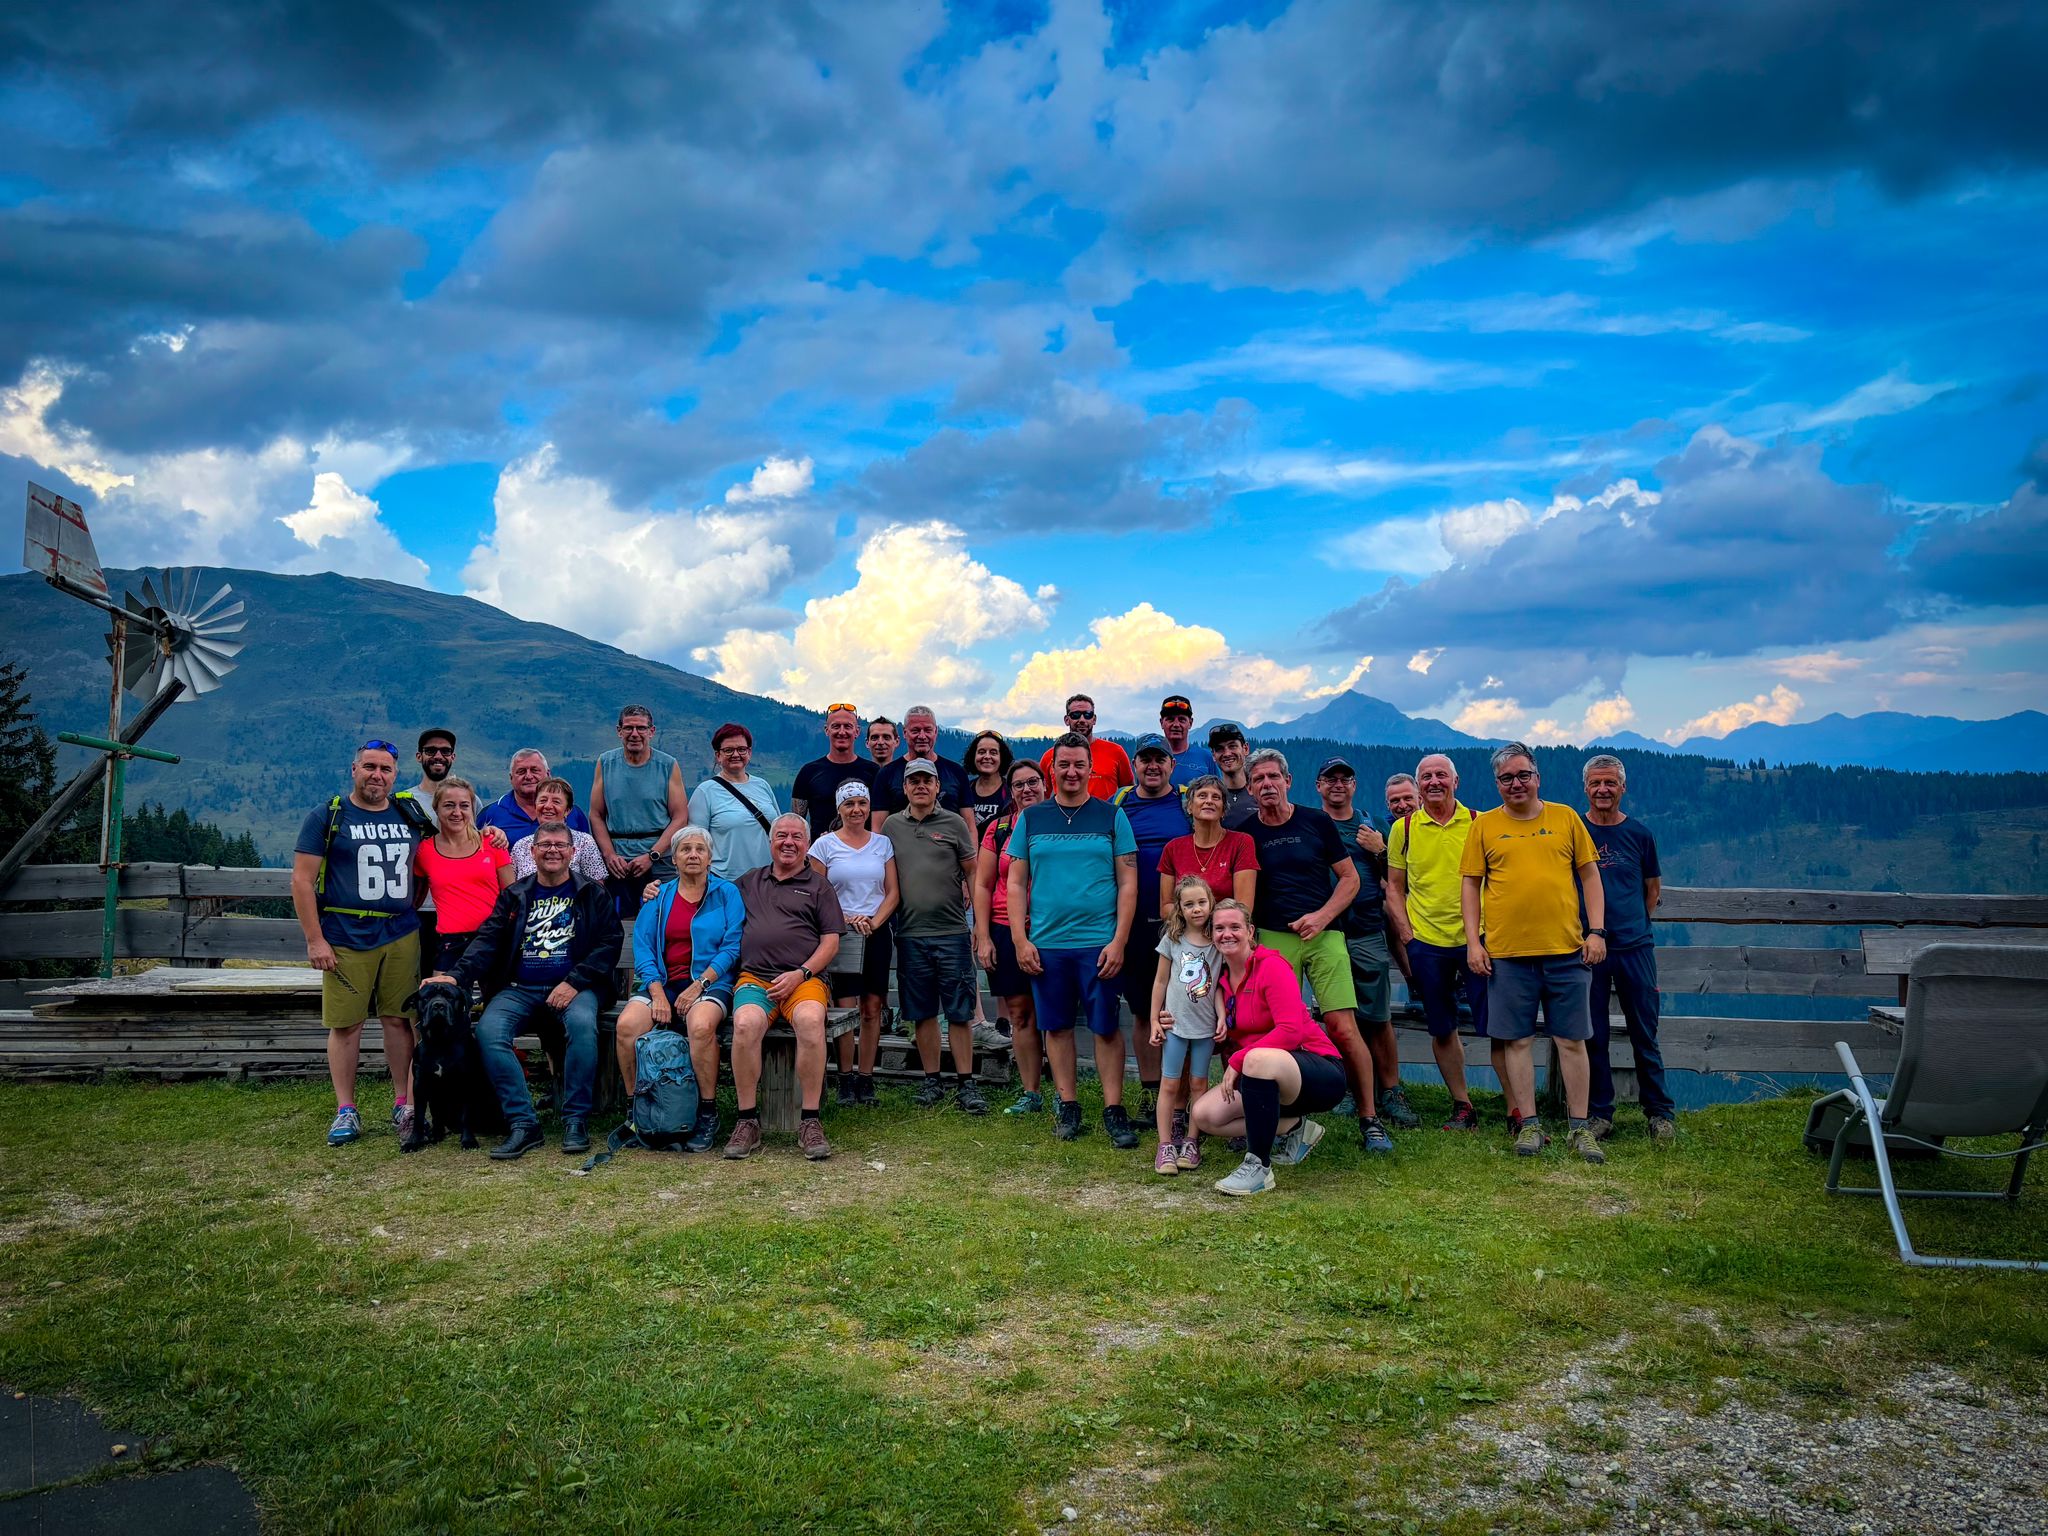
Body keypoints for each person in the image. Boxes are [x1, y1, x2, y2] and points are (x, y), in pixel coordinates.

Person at [432, 820, 623, 1159]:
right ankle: (523, 1122)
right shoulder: (515, 895)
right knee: (489, 1031)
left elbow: (609, 944)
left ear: (572, 852)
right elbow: (488, 941)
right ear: (532, 852)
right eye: (545, 845)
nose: (552, 851)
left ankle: (575, 1118)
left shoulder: (592, 893)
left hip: (576, 988)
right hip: (520, 988)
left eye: (560, 845)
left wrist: (573, 982)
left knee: (582, 1026)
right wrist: (455, 976)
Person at [1459, 743, 1608, 1163]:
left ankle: (1580, 1128)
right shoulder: (1484, 826)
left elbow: (1590, 875)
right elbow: (1470, 884)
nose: (1516, 783)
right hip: (1507, 954)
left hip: (1567, 950)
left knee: (1572, 1041)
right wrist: (1474, 942)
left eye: (1523, 775)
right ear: (1497, 784)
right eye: (1506, 778)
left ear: (1537, 778)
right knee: (1516, 1041)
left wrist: (1597, 932)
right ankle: (1529, 1124)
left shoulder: (1565, 818)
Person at [1240, 748, 1392, 1154]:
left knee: (1343, 1027)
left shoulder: (1316, 821)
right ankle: (1281, 1119)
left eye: (1274, 776)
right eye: (1259, 779)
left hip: (1325, 935)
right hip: (1273, 938)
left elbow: (1350, 880)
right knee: (1276, 1030)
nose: (1267, 785)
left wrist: (1323, 917)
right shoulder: (1246, 832)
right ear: (1250, 788)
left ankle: (1369, 1118)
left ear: (1288, 781)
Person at [291, 740, 431, 1147]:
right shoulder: (328, 815)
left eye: (386, 769)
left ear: (395, 775)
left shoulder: (409, 813)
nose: (377, 775)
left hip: (400, 934)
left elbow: (431, 859)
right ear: (354, 770)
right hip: (345, 935)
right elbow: (301, 880)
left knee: (400, 1020)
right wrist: (315, 940)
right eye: (370, 767)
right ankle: (346, 1109)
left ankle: (404, 1103)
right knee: (346, 1024)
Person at [1007, 732, 1139, 1145]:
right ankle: (1068, 1105)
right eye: (1063, 764)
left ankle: (1114, 1110)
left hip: (1099, 942)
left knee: (1106, 1027)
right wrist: (1020, 940)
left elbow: (1128, 882)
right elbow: (1015, 882)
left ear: (1090, 769)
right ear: (1052, 769)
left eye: (1079, 764)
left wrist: (1119, 941)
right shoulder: (1032, 818)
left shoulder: (1111, 816)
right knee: (1057, 1026)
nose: (1071, 772)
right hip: (1047, 943)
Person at [1190, 900, 1347, 1197]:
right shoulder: (1219, 982)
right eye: (1219, 928)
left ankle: (1258, 1167)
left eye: (1235, 927)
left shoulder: (1272, 966)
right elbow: (1220, 1040)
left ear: (1250, 932)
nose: (1227, 934)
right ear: (1211, 935)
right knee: (1205, 1115)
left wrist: (1238, 1059)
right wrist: (1174, 1025)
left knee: (1256, 1059)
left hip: (1318, 1070)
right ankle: (1295, 1127)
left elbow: (1291, 1031)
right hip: (1261, 1076)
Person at [724, 815, 845, 1162]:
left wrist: (801, 973)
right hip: (756, 979)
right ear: (770, 842)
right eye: (781, 836)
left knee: (810, 1021)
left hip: (804, 981)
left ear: (807, 844)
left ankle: (810, 1121)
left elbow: (831, 942)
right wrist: (655, 890)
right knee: (744, 1024)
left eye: (796, 837)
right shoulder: (749, 881)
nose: (788, 842)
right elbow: (706, 894)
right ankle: (747, 1121)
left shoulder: (819, 886)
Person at [617, 825, 743, 1153]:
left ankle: (707, 1112)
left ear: (710, 857)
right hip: (663, 983)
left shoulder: (727, 893)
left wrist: (699, 985)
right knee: (627, 1026)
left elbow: (732, 947)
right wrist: (657, 993)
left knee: (700, 1026)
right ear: (674, 859)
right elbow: (643, 947)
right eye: (685, 849)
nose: (693, 855)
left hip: (711, 983)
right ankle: (637, 1111)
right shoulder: (658, 895)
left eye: (700, 849)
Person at [1386, 753, 1495, 1130]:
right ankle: (1463, 1105)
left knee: (1500, 1025)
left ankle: (1518, 1110)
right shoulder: (1404, 829)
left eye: (1441, 775)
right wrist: (1406, 934)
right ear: (1419, 786)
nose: (1434, 782)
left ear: (1456, 781)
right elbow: (1395, 887)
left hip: (1478, 940)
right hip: (1427, 943)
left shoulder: (1479, 822)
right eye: (1427, 776)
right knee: (1442, 1027)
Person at [1315, 756, 1419, 1131]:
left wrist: (1380, 850)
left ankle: (1390, 1090)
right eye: (1330, 779)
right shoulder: (1312, 824)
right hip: (1326, 931)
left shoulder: (1372, 825)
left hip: (1366, 928)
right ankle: (1347, 1087)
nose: (1337, 784)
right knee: (1336, 1014)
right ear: (1318, 786)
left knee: (1377, 1016)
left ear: (1354, 785)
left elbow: (1399, 877)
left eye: (1345, 778)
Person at [1581, 754, 1675, 1145]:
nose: (1603, 790)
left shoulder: (1640, 834)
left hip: (1635, 946)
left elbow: (1652, 890)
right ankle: (1599, 1114)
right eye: (1596, 783)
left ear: (1623, 788)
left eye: (1610, 783)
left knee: (1644, 1031)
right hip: (1587, 948)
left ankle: (1659, 1113)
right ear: (1586, 788)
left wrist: (1633, 923)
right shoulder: (1575, 830)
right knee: (1593, 1034)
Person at [890, 760, 986, 1113]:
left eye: (926, 781)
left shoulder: (954, 823)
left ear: (937, 787)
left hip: (952, 931)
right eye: (913, 781)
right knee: (923, 1011)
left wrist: (979, 924)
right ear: (905, 788)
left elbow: (973, 872)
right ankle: (932, 1080)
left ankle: (966, 1082)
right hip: (910, 933)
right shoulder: (891, 826)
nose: (920, 786)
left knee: (960, 1011)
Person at [1113, 735, 1192, 1122]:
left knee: (1188, 1010)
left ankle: (1184, 1097)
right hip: (1133, 923)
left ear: (1172, 765)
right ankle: (1150, 1092)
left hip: (1184, 924)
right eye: (1145, 759)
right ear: (1134, 765)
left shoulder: (1187, 800)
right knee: (1145, 1011)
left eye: (1160, 759)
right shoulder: (1119, 802)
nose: (1153, 766)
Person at [810, 781, 898, 1108]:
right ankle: (845, 1077)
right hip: (841, 934)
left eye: (862, 803)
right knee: (845, 1007)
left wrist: (873, 922)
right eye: (849, 804)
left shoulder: (882, 844)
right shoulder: (824, 846)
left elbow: (893, 892)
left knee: (872, 1007)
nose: (856, 810)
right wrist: (845, 919)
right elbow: (818, 894)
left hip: (875, 932)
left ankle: (866, 1077)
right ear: (839, 809)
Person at [975, 759, 1047, 1115]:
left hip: (1053, 928)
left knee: (1054, 1011)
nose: (1027, 790)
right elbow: (983, 883)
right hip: (1005, 926)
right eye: (1019, 785)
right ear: (1010, 790)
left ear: (1045, 785)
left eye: (1033, 782)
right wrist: (983, 935)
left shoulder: (1059, 823)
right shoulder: (999, 828)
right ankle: (1031, 1092)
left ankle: (1064, 1091)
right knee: (1019, 1012)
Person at [1148, 875, 1224, 1176]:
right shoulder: (1173, 940)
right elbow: (1160, 981)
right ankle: (1165, 1145)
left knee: (1198, 1085)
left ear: (1211, 903)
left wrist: (1221, 1017)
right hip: (1175, 1027)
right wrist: (1155, 1019)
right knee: (1169, 1084)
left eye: (1202, 902)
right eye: (1189, 904)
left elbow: (1219, 986)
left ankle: (1192, 1141)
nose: (1197, 909)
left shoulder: (1217, 942)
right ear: (1179, 908)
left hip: (1205, 1029)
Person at [589, 704, 688, 920]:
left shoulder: (668, 765)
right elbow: (596, 814)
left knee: (664, 919)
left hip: (660, 859)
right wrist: (609, 854)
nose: (635, 734)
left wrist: (653, 855)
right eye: (629, 728)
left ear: (651, 731)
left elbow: (680, 817)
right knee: (617, 924)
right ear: (619, 731)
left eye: (641, 728)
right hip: (618, 861)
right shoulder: (605, 763)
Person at [413, 777, 514, 974]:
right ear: (436, 808)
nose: (457, 812)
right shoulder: (424, 850)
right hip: (450, 942)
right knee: (440, 992)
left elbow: (512, 894)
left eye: (464, 805)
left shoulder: (492, 842)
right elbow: (415, 896)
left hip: (491, 937)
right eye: (449, 805)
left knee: (498, 994)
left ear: (472, 809)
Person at [688, 722, 780, 879]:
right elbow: (695, 842)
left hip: (769, 879)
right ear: (718, 755)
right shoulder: (705, 792)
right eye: (728, 750)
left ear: (749, 753)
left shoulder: (762, 785)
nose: (736, 754)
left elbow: (779, 829)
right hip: (727, 881)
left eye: (741, 749)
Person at [1158, 775, 1260, 909]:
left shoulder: (1241, 843)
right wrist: (1194, 919)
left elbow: (1243, 907)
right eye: (1202, 796)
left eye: (1216, 797)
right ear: (1189, 807)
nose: (1209, 801)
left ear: (1223, 810)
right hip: (1185, 923)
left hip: (1229, 922)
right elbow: (1166, 906)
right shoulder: (1173, 848)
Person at [792, 703, 881, 839]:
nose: (842, 732)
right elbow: (797, 823)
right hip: (819, 850)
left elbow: (880, 820)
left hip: (863, 849)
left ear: (857, 731)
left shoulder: (874, 772)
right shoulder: (808, 772)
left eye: (847, 726)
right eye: (836, 726)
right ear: (826, 730)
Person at [874, 705, 972, 822]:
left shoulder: (957, 772)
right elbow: (878, 828)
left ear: (935, 732)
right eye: (915, 731)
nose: (922, 736)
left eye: (927, 730)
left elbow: (969, 826)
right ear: (905, 733)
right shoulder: (886, 774)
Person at [479, 748, 591, 845]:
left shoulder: (574, 813)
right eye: (521, 771)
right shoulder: (490, 814)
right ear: (511, 778)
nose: (528, 776)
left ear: (548, 774)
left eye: (535, 770)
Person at [510, 778, 608, 884]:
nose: (548, 806)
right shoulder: (520, 846)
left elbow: (597, 888)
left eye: (556, 802)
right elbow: (513, 888)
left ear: (567, 810)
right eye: (543, 800)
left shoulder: (584, 842)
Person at [1037, 693, 1133, 801]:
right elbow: (1041, 796)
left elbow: (1128, 793)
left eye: (1087, 715)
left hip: (1105, 812)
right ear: (1067, 720)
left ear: (1094, 719)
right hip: (1064, 812)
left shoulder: (1116, 752)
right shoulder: (1050, 757)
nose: (1082, 720)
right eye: (1076, 715)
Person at [1158, 694, 1219, 789]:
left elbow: (1219, 792)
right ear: (1161, 723)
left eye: (1182, 719)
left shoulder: (1206, 757)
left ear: (1190, 723)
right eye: (1170, 719)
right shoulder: (1152, 758)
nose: (1176, 724)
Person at [1207, 722, 1258, 826]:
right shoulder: (1209, 798)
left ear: (1245, 749)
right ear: (1213, 755)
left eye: (1232, 746)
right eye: (1219, 749)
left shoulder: (1260, 792)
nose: (1227, 753)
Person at [962, 730, 1014, 833]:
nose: (987, 756)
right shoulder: (964, 790)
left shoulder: (1011, 792)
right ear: (973, 757)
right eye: (981, 752)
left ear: (1002, 758)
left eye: (993, 753)